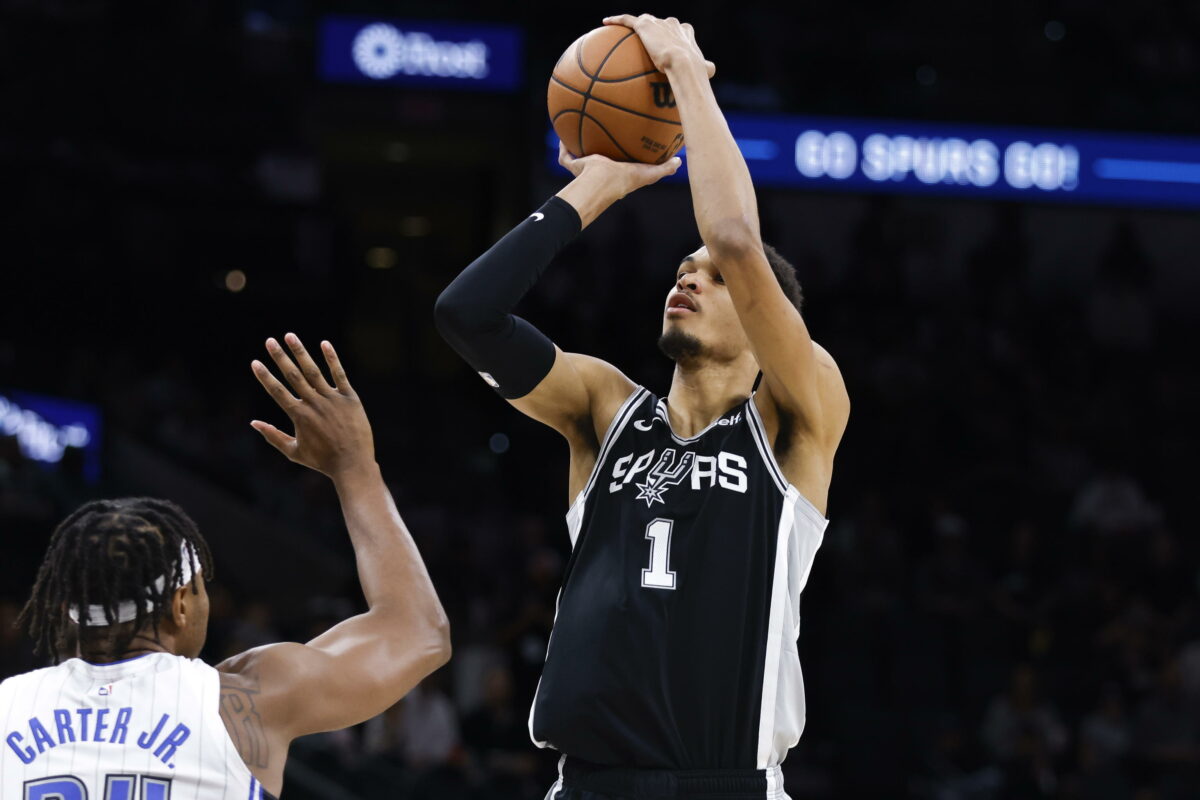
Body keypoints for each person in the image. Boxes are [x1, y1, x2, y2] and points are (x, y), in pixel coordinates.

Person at [435, 14, 849, 800]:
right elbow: (467, 315)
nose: (690, 277)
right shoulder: (605, 409)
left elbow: (735, 239)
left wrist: (684, 68)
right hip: (587, 785)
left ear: (766, 327)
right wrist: (598, 184)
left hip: (724, 785)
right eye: (684, 268)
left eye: (716, 280)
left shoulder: (792, 419)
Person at [2, 334, 450, 799]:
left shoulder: (7, 708)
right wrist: (354, 467)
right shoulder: (246, 702)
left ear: (64, 608)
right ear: (180, 604)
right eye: (201, 586)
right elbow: (419, 631)